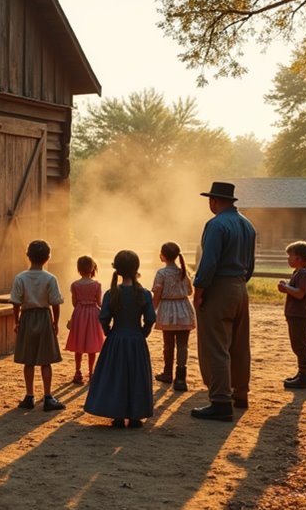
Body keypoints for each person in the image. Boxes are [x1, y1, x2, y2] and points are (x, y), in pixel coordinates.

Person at [191, 181, 256, 422]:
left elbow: (208, 263)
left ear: (214, 201)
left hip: (219, 287)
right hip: (240, 286)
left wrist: (199, 290)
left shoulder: (216, 225)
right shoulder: (248, 225)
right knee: (239, 344)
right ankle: (240, 393)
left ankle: (220, 400)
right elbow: (251, 263)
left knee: (215, 345)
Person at [83, 250, 156, 428]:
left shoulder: (112, 293)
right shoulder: (144, 293)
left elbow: (104, 317)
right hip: (136, 340)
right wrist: (143, 333)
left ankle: (116, 415)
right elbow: (151, 317)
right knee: (136, 376)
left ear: (117, 269)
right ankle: (135, 416)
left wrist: (109, 332)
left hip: (116, 339)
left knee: (116, 376)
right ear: (136, 268)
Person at [11, 240, 66, 412]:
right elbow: (55, 303)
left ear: (28, 256)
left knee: (28, 360)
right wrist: (55, 323)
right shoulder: (50, 278)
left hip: (27, 317)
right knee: (45, 360)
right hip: (44, 317)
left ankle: (29, 396)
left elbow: (16, 302)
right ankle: (48, 397)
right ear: (48, 257)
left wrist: (17, 321)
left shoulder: (20, 278)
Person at [152, 241, 196, 391]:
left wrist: (153, 309)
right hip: (184, 309)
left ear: (162, 256)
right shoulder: (184, 271)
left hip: (168, 311)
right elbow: (190, 292)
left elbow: (157, 293)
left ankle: (167, 373)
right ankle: (181, 378)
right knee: (183, 345)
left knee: (168, 344)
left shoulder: (161, 273)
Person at [276, 240, 306, 390]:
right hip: (296, 314)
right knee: (297, 344)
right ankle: (302, 373)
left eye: (290, 256)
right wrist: (287, 285)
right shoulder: (299, 272)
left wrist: (286, 288)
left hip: (300, 315)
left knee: (301, 345)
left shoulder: (304, 274)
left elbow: (299, 294)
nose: (288, 259)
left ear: (298, 258)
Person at [65, 255, 105, 385]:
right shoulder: (97, 285)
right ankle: (91, 372)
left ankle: (77, 371)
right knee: (91, 344)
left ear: (78, 269)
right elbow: (99, 302)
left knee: (79, 343)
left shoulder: (75, 285)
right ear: (92, 268)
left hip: (79, 313)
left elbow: (74, 303)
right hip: (93, 314)